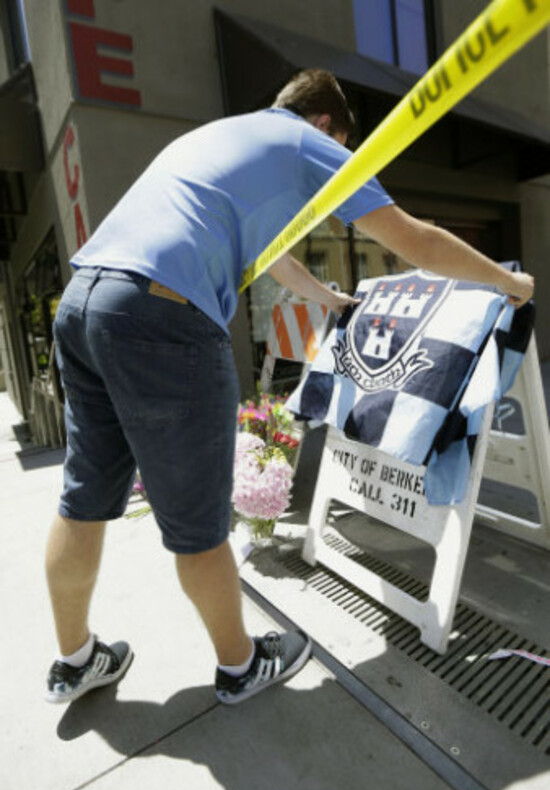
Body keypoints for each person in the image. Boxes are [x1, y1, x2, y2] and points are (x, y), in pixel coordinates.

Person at [45, 69, 534, 706]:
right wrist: (507, 282)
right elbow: (412, 239)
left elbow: (272, 254)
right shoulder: (310, 145)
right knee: (198, 522)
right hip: (159, 316)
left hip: (85, 302)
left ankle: (75, 661)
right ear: (328, 126)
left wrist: (329, 297)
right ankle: (240, 667)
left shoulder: (225, 138)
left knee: (82, 497)